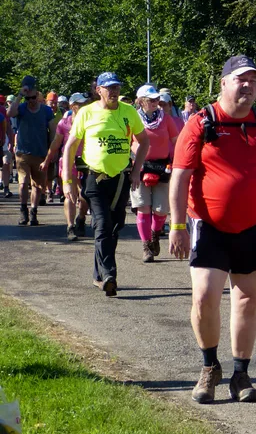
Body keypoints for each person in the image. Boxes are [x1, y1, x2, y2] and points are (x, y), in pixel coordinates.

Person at [169, 55, 256, 404]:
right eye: (241, 79)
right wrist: (178, 225)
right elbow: (180, 176)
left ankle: (241, 374)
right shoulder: (200, 123)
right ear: (224, 83)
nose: (248, 85)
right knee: (204, 297)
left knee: (246, 301)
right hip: (208, 224)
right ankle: (210, 366)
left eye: (253, 81)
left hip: (252, 227)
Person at [63, 72, 150, 297]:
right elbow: (70, 147)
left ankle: (99, 275)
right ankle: (110, 274)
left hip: (120, 179)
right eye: (109, 88)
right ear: (98, 90)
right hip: (95, 178)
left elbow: (144, 141)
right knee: (101, 225)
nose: (114, 91)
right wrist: (67, 181)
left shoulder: (128, 112)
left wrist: (136, 170)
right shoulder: (86, 112)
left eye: (117, 87)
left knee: (113, 227)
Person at [131, 84, 180, 262]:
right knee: (143, 206)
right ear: (141, 101)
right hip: (140, 166)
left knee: (161, 209)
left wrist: (179, 163)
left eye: (157, 99)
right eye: (151, 100)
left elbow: (177, 141)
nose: (155, 102)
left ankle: (155, 235)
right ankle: (147, 247)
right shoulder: (133, 118)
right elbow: (126, 141)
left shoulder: (166, 119)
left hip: (162, 166)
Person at [40, 92, 91, 240]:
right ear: (72, 106)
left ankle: (81, 218)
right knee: (70, 194)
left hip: (87, 161)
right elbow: (56, 143)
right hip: (69, 161)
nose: (83, 107)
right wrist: (47, 160)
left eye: (84, 104)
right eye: (80, 104)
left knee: (85, 195)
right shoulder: (64, 123)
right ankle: (70, 227)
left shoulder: (90, 121)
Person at [7, 75, 56, 225]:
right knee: (22, 183)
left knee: (37, 185)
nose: (31, 101)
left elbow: (53, 133)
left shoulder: (47, 111)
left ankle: (33, 212)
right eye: (28, 99)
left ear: (38, 95)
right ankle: (23, 211)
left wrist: (52, 153)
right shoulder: (21, 108)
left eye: (33, 97)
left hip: (40, 153)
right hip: (23, 153)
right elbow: (9, 114)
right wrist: (20, 95)